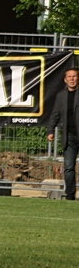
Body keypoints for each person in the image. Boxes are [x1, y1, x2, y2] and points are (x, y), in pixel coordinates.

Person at [47, 67, 79, 200]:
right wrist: (50, 131)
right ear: (65, 80)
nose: (72, 79)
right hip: (69, 137)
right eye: (69, 77)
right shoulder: (60, 96)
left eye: (74, 76)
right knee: (69, 167)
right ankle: (70, 194)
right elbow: (55, 114)